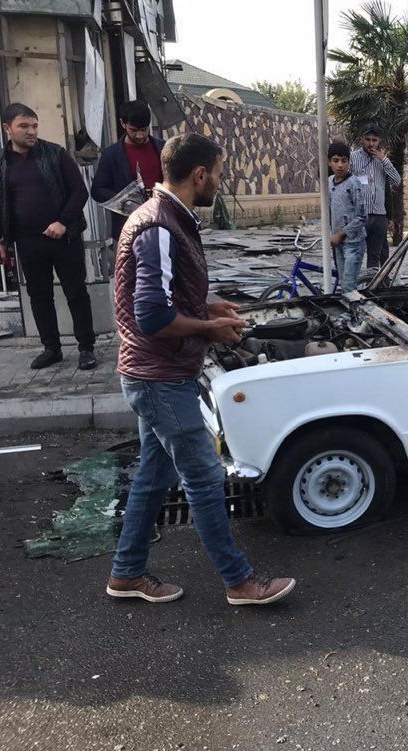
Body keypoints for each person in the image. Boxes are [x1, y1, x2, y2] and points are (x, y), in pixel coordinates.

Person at [108, 132, 295, 605]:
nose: (220, 179)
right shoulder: (158, 228)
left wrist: (209, 306)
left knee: (154, 476)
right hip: (159, 377)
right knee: (206, 479)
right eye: (218, 172)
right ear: (199, 175)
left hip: (156, 373)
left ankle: (126, 573)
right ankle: (240, 582)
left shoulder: (167, 218)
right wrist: (209, 329)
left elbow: (167, 295)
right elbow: (152, 315)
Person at [0, 103, 96, 370]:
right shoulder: (0, 161)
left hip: (63, 238)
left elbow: (79, 192)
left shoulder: (54, 154)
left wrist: (62, 221)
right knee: (39, 296)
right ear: (8, 128)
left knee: (76, 292)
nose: (31, 131)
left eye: (34, 125)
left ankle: (86, 348)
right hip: (27, 240)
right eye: (24, 126)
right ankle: (51, 348)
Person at [91, 100, 165, 243]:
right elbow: (98, 190)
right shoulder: (111, 155)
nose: (139, 135)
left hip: (162, 225)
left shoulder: (163, 149)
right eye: (134, 130)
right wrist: (127, 201)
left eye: (144, 130)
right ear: (122, 123)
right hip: (128, 230)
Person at [350, 124, 401, 269]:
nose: (371, 143)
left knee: (375, 255)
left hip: (379, 216)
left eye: (374, 140)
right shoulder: (352, 158)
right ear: (362, 139)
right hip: (360, 215)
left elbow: (396, 181)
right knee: (356, 253)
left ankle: (372, 285)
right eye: (368, 139)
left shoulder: (383, 161)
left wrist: (384, 160)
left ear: (379, 141)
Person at [327, 142, 367, 293]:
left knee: (348, 287)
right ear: (329, 162)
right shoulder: (329, 182)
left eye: (344, 161)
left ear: (349, 162)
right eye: (336, 160)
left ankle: (356, 315)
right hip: (338, 243)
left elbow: (362, 216)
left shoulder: (353, 183)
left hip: (353, 243)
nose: (340, 165)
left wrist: (340, 234)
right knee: (342, 283)